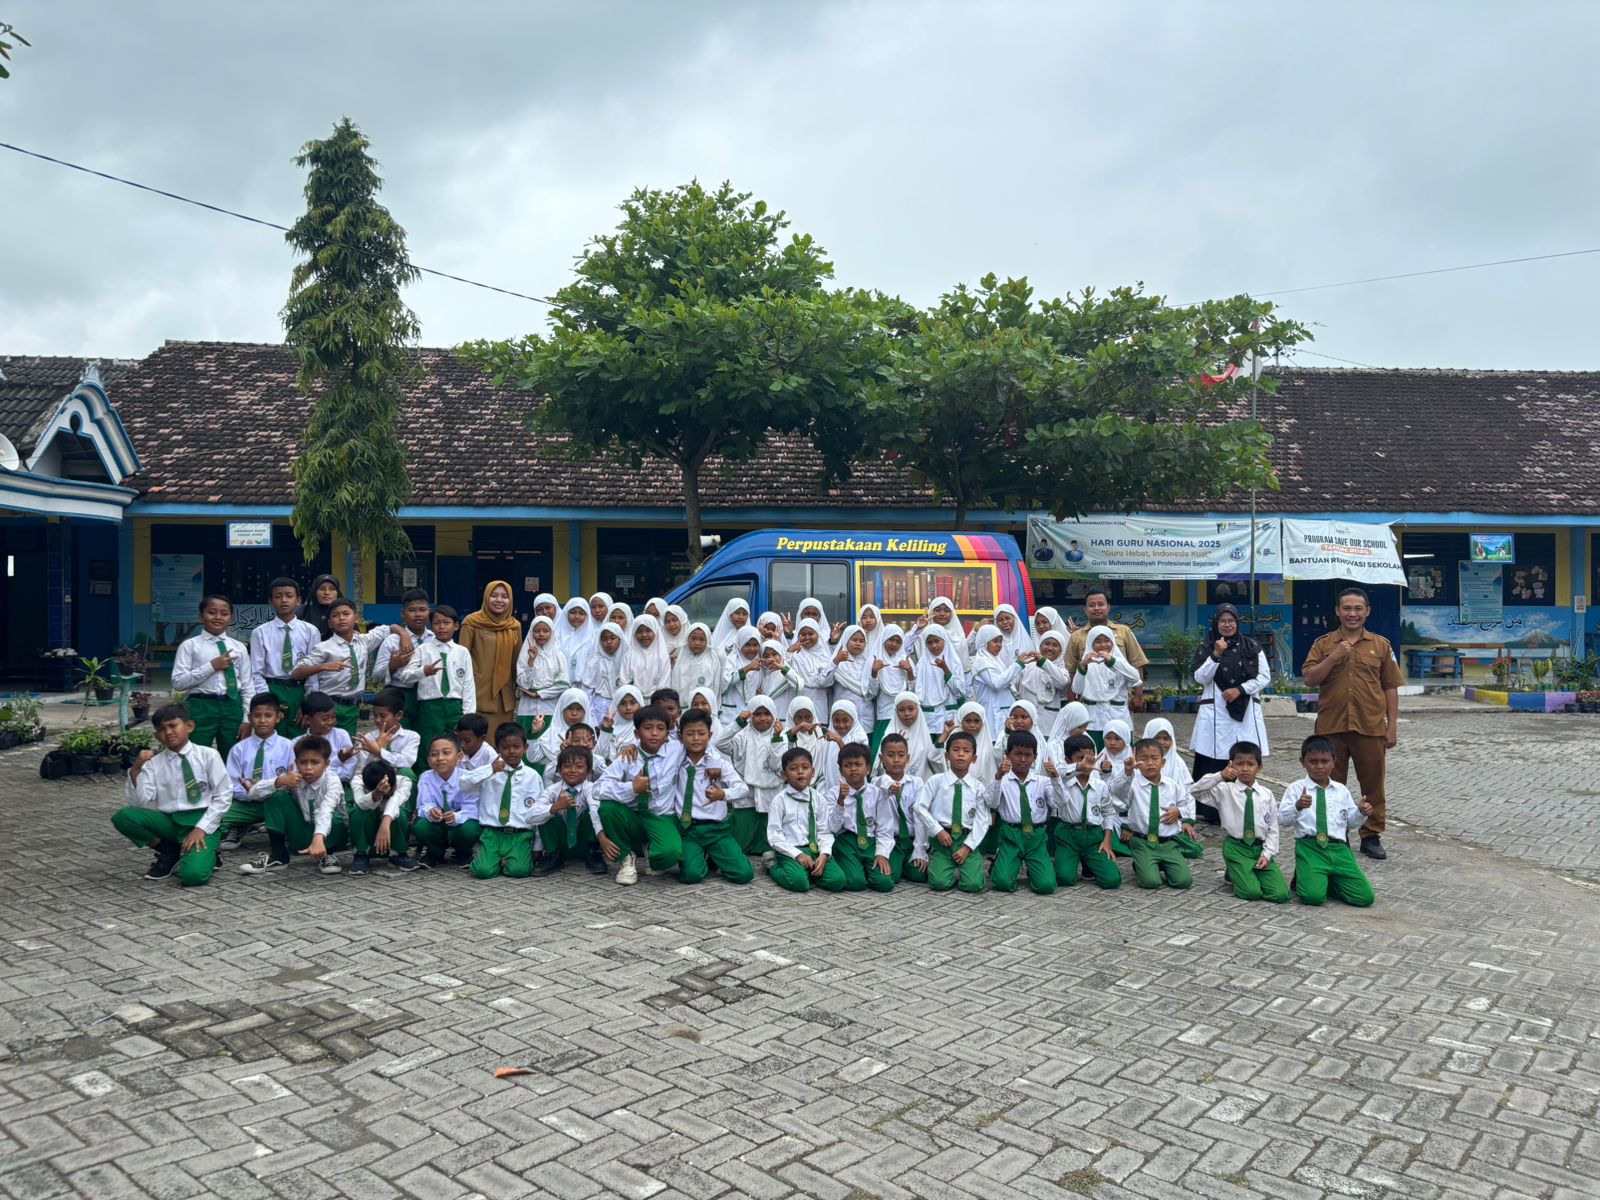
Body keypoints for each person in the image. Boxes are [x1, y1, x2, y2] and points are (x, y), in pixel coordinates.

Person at [1299, 586, 1403, 861]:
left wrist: (1391, 726)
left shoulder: (1381, 645)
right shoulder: (1323, 644)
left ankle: (1371, 835)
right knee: (1331, 784)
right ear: (1338, 612)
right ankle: (1336, 833)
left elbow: (1390, 687)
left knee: (1373, 784)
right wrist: (1334, 657)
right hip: (1331, 727)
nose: (1352, 613)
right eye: (1347, 608)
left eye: (1358, 608)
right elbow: (1310, 678)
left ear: (1367, 612)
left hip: (1370, 727)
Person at [112, 702, 231, 886]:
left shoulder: (209, 755)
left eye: (173, 726)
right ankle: (169, 850)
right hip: (171, 822)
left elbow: (223, 795)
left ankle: (211, 853)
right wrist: (136, 770)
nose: (168, 733)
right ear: (156, 735)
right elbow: (140, 802)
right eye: (161, 729)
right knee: (125, 817)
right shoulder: (154, 763)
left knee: (193, 876)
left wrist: (201, 828)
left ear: (189, 726)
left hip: (202, 820)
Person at [1189, 604, 1271, 815]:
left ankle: (1240, 809)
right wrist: (1216, 655)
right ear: (1216, 624)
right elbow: (1200, 677)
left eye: (1231, 621)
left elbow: (1264, 677)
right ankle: (1210, 811)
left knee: (1242, 758)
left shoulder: (1252, 647)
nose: (1227, 625)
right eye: (1222, 621)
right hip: (1216, 714)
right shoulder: (1207, 646)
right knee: (1212, 760)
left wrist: (1241, 689)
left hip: (1244, 714)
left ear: (1237, 622)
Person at [593, 704, 686, 885]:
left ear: (667, 734)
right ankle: (626, 857)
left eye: (660, 729)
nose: (654, 734)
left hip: (660, 816)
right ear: (637, 734)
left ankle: (651, 851)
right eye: (647, 728)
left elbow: (702, 745)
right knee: (607, 809)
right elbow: (597, 789)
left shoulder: (677, 750)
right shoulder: (628, 756)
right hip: (633, 815)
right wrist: (631, 788)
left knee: (671, 853)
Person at [1280, 735, 1376, 907]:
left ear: (1334, 761)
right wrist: (1297, 806)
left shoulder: (1341, 790)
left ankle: (1328, 881)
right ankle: (1307, 879)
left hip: (1339, 850)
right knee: (1313, 898)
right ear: (1302, 762)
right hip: (1310, 848)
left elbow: (1351, 822)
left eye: (1325, 761)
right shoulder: (1295, 789)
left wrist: (1361, 812)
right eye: (1313, 761)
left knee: (1364, 897)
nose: (1319, 766)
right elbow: (1283, 820)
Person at [1190, 740, 1288, 903]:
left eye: (1250, 764)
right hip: (1236, 847)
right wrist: (1219, 776)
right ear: (1231, 765)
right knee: (1251, 893)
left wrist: (1267, 854)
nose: (1244, 768)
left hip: (1258, 848)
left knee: (1280, 895)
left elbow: (1272, 828)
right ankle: (1236, 871)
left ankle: (1240, 872)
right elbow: (1195, 791)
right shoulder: (1225, 790)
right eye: (1239, 764)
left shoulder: (1266, 794)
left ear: (1259, 767)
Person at [238, 734, 349, 877]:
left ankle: (328, 855)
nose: (308, 768)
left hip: (334, 836)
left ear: (326, 764)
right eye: (303, 762)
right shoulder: (293, 777)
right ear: (296, 762)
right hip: (304, 832)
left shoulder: (332, 780)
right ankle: (279, 857)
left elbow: (325, 811)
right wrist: (280, 781)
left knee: (334, 816)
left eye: (315, 762)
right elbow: (253, 793)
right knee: (276, 797)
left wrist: (318, 838)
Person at [472, 722, 568, 880]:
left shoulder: (533, 777)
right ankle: (489, 858)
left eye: (516, 746)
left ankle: (511, 858)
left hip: (520, 834)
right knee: (483, 872)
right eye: (505, 747)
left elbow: (538, 810)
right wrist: (489, 769)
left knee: (519, 871)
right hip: (493, 833)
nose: (511, 752)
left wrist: (538, 845)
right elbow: (464, 783)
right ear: (497, 749)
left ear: (525, 748)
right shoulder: (489, 774)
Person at [669, 708, 754, 885]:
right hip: (689, 830)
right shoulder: (675, 762)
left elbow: (743, 788)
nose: (696, 738)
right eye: (690, 733)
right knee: (691, 876)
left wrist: (723, 794)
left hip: (717, 831)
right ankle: (700, 857)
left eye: (701, 733)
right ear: (681, 735)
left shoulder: (719, 764)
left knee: (743, 874)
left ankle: (714, 857)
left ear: (710, 734)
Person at [291, 597, 394, 736]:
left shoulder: (364, 641)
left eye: (346, 614)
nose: (341, 618)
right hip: (328, 705)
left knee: (346, 747)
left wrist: (403, 634)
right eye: (335, 615)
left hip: (352, 706)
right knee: (324, 746)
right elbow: (297, 673)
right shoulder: (324, 648)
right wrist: (324, 666)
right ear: (330, 623)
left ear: (356, 618)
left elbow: (388, 629)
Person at [171, 594, 254, 754]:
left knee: (233, 755)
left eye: (224, 613)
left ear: (231, 618)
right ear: (200, 616)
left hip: (232, 706)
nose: (218, 617)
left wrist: (246, 719)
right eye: (212, 612)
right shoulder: (190, 646)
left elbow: (247, 685)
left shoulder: (239, 648)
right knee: (196, 754)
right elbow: (178, 682)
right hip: (200, 707)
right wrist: (211, 667)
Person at [398, 604, 475, 772]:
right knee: (429, 746)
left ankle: (456, 786)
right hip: (429, 707)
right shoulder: (423, 650)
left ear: (456, 626)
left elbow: (468, 685)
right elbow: (405, 675)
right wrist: (423, 672)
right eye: (437, 623)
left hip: (455, 706)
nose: (441, 627)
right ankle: (426, 786)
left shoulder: (462, 652)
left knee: (457, 747)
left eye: (446, 623)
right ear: (430, 626)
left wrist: (468, 715)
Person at [1112, 736, 1195, 889]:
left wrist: (1179, 811)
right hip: (1143, 841)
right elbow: (1117, 791)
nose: (1150, 763)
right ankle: (1142, 865)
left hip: (1168, 842)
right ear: (1137, 763)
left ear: (1163, 762)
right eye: (1143, 759)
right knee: (1150, 882)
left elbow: (1186, 803)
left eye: (1155, 758)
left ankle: (1161, 864)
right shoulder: (1133, 784)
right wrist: (1127, 772)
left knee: (1183, 882)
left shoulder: (1172, 785)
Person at [217, 692, 297, 852]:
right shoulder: (238, 749)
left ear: (278, 717)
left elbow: (293, 780)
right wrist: (254, 793)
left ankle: (280, 827)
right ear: (249, 717)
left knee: (297, 834)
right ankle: (240, 825)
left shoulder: (289, 747)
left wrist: (267, 790)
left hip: (276, 802)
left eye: (268, 715)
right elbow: (233, 785)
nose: (262, 720)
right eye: (257, 715)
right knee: (216, 821)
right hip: (246, 804)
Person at [912, 730, 989, 893]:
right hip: (942, 841)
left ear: (974, 758)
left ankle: (969, 867)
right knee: (939, 883)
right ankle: (944, 866)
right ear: (947, 755)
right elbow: (919, 806)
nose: (961, 754)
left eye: (966, 751)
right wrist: (937, 830)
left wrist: (967, 847)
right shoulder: (935, 781)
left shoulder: (978, 787)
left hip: (966, 839)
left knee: (973, 885)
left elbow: (982, 820)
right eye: (956, 750)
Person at [1045, 733, 1120, 889]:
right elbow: (1060, 774)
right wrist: (1078, 767)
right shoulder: (1063, 781)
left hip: (1094, 837)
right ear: (1068, 761)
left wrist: (1107, 840)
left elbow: (1108, 813)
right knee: (1064, 878)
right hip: (1068, 835)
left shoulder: (1099, 785)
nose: (1087, 762)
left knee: (1112, 880)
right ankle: (1063, 861)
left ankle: (1088, 863)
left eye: (1090, 757)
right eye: (1080, 758)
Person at [985, 730, 1056, 895]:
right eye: (1017, 754)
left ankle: (1036, 866)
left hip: (1036, 836)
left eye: (1027, 755)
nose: (1023, 759)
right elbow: (990, 802)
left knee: (1046, 886)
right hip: (1011, 835)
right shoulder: (1002, 779)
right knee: (1002, 882)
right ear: (1007, 755)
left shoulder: (1043, 781)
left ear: (1035, 756)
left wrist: (1056, 778)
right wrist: (998, 776)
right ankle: (1000, 861)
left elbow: (1059, 802)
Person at [765, 746, 845, 892]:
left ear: (813, 772)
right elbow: (775, 836)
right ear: (784, 775)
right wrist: (798, 854)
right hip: (791, 850)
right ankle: (772, 866)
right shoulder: (779, 801)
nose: (800, 772)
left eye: (805, 767)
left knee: (838, 881)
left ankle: (811, 871)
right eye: (793, 768)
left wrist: (824, 854)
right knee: (798, 883)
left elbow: (824, 831)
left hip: (815, 849)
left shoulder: (819, 799)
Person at [716, 695, 785, 856]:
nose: (762, 719)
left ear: (774, 715)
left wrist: (776, 739)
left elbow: (778, 765)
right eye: (758, 714)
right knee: (742, 837)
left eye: (767, 714)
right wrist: (738, 723)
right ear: (751, 715)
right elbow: (720, 743)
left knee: (771, 832)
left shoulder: (781, 735)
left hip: (771, 790)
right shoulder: (742, 735)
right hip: (747, 791)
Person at [249, 577, 319, 737]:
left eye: (289, 595)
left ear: (298, 600)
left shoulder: (310, 631)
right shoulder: (260, 632)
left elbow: (313, 670)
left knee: (300, 739)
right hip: (272, 688)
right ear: (270, 601)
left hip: (300, 690)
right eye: (278, 596)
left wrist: (308, 703)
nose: (284, 600)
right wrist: (267, 701)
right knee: (272, 739)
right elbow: (256, 671)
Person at [458, 581, 524, 738]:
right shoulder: (472, 622)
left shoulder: (514, 626)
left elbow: (517, 661)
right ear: (486, 597)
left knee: (502, 743)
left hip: (504, 698)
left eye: (504, 596)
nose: (499, 600)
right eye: (494, 596)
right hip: (478, 693)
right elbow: (461, 659)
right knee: (479, 743)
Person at [828, 742, 896, 892]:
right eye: (848, 765)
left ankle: (865, 869)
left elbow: (885, 827)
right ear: (841, 770)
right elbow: (832, 827)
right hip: (847, 841)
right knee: (855, 883)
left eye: (858, 764)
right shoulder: (834, 793)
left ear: (868, 769)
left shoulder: (877, 793)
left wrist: (882, 854)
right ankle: (852, 867)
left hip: (871, 842)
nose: (853, 769)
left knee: (884, 883)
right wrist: (840, 802)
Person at [1061, 587, 1149, 701]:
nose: (1096, 608)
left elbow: (1137, 663)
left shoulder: (1124, 631)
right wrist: (1072, 700)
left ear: (1108, 607)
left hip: (1119, 699)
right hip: (1089, 701)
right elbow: (1071, 670)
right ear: (1085, 609)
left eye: (1100, 604)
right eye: (1092, 605)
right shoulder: (1076, 636)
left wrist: (1139, 694)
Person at [411, 733, 481, 867]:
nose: (440, 758)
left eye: (446, 753)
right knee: (420, 826)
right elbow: (423, 805)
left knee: (471, 828)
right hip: (438, 826)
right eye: (434, 754)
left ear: (459, 757)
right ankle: (435, 852)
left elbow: (473, 809)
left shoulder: (468, 778)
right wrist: (431, 811)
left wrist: (457, 816)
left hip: (459, 826)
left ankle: (464, 852)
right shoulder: (426, 778)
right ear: (429, 760)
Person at [372, 588, 435, 729]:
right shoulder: (392, 641)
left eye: (422, 610)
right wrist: (393, 665)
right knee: (399, 736)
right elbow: (377, 676)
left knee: (426, 738)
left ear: (429, 611)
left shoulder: (435, 639)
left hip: (428, 696)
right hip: (400, 694)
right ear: (403, 613)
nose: (418, 615)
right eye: (412, 610)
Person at [347, 758, 421, 875]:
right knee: (358, 813)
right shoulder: (358, 781)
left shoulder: (404, 781)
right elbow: (361, 802)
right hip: (371, 832)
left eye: (390, 791)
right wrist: (377, 793)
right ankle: (361, 853)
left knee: (400, 813)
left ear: (395, 774)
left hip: (390, 831)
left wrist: (386, 822)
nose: (387, 794)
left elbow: (396, 801)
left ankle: (398, 853)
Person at [873, 733, 928, 884]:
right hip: (892, 841)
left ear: (908, 758)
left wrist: (920, 851)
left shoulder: (917, 783)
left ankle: (908, 862)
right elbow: (882, 783)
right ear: (881, 758)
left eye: (901, 755)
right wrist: (890, 786)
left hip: (911, 841)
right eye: (890, 755)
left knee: (920, 875)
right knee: (890, 877)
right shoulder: (876, 783)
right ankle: (899, 865)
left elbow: (920, 819)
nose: (896, 760)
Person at [1074, 625, 1141, 746]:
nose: (1103, 645)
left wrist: (1112, 661)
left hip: (1118, 718)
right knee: (1094, 757)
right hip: (1093, 721)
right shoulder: (1087, 663)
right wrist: (1083, 666)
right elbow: (1076, 689)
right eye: (1098, 641)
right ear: (1091, 644)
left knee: (1121, 758)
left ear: (1113, 642)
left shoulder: (1119, 661)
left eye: (1107, 640)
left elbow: (1135, 677)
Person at [515, 615, 570, 737]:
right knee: (527, 741)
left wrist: (538, 694)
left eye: (545, 631)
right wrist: (531, 661)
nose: (541, 634)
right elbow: (523, 684)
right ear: (531, 632)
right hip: (527, 708)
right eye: (537, 631)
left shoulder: (559, 656)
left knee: (551, 741)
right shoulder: (525, 655)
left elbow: (563, 685)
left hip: (551, 707)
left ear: (552, 632)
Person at [967, 622, 1024, 730]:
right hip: (993, 715)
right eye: (995, 641)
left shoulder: (995, 660)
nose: (999, 645)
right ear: (985, 642)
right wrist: (1018, 664)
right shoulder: (982, 661)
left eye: (1000, 642)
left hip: (1003, 712)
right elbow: (997, 683)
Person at [670, 622, 726, 700]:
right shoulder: (679, 659)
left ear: (707, 641)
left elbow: (716, 688)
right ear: (687, 639)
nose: (697, 643)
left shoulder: (712, 661)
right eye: (693, 638)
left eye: (702, 639)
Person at [296, 574, 343, 640]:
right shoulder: (300, 613)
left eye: (332, 589)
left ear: (338, 592)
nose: (327, 592)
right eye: (322, 589)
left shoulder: (345, 613)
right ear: (315, 592)